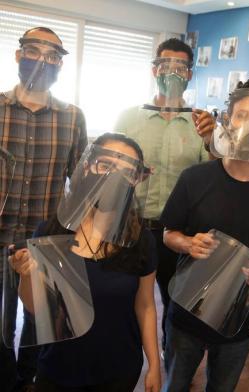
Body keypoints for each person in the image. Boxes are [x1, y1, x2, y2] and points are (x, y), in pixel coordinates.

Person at [160, 77, 249, 391]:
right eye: (241, 115)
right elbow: (168, 233)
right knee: (175, 385)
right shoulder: (195, 178)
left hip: (238, 318)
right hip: (187, 311)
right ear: (226, 121)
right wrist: (188, 243)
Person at [9, 133, 161, 392]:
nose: (115, 178)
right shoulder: (51, 233)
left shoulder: (140, 240)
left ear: (136, 180)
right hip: (59, 367)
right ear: (88, 165)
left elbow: (146, 306)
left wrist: (155, 365)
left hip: (118, 369)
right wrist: (25, 275)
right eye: (107, 165)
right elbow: (38, 309)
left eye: (127, 172)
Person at [114, 38, 215, 355]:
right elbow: (113, 172)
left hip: (178, 235)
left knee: (177, 306)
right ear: (154, 69)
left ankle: (173, 367)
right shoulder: (130, 117)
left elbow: (214, 177)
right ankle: (127, 361)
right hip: (132, 228)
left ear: (189, 74)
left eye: (180, 66)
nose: (171, 71)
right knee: (126, 300)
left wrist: (214, 139)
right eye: (164, 64)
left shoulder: (202, 123)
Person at [0, 27, 87, 392]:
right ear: (19, 55)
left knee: (38, 321)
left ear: (60, 65)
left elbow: (81, 182)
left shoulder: (72, 117)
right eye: (34, 51)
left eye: (53, 56)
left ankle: (25, 380)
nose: (43, 60)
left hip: (44, 240)